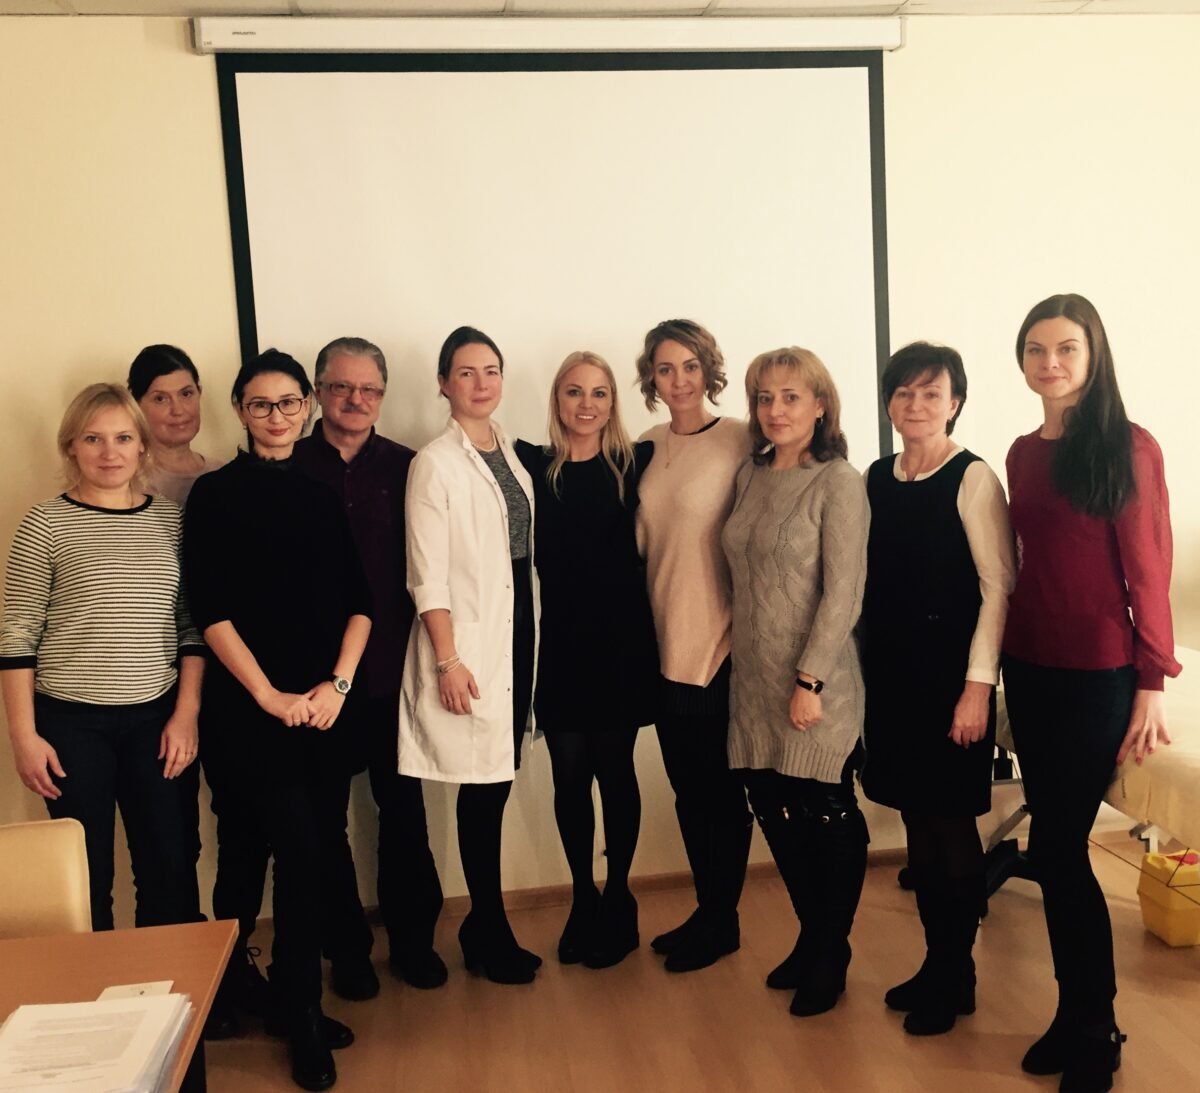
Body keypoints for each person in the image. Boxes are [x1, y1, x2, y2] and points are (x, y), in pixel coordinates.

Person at [1002, 294, 1180, 1093]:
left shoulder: (1128, 447)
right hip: (1029, 665)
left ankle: (1097, 1024)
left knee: (1059, 848)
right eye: (1036, 349)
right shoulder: (1020, 453)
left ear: (1093, 355)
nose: (1050, 363)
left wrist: (1151, 680)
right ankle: (1074, 1012)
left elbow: (1150, 568)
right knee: (1053, 848)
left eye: (1066, 348)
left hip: (1098, 672)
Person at [184, 350, 372, 1092]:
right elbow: (210, 609)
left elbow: (360, 602)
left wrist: (338, 685)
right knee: (252, 854)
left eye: (289, 402)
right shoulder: (215, 494)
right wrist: (267, 695)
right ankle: (267, 1000)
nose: (277, 416)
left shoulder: (322, 493)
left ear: (307, 407)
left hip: (320, 712)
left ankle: (295, 1005)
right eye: (261, 403)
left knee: (308, 853)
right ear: (240, 409)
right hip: (248, 711)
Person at [0, 383, 202, 933]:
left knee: (168, 868)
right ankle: (97, 985)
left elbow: (191, 627)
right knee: (85, 877)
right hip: (70, 724)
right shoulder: (44, 524)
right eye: (93, 439)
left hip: (157, 718)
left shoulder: (171, 522)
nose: (109, 452)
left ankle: (167, 982)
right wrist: (23, 736)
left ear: (142, 446)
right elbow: (17, 634)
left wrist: (186, 714)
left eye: (123, 438)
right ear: (71, 447)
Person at [859, 342, 1016, 1036]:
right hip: (893, 678)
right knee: (917, 825)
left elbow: (998, 587)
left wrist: (978, 688)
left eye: (932, 393)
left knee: (950, 825)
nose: (916, 405)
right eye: (904, 393)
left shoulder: (973, 477)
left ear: (955, 403)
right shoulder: (877, 476)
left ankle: (958, 973)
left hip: (953, 681)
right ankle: (937, 963)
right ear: (889, 403)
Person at [294, 336, 447, 992]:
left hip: (394, 673)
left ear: (382, 395)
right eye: (341, 386)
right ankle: (348, 952)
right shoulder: (289, 466)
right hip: (314, 682)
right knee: (323, 822)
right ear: (317, 391)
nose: (355, 399)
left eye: (369, 389)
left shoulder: (412, 468)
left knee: (404, 814)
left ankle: (413, 943)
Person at [722, 347, 870, 1017]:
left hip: (815, 681)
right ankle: (814, 937)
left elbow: (844, 592)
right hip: (753, 679)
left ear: (820, 405)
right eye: (765, 398)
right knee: (773, 808)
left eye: (790, 397)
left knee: (826, 810)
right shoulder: (750, 475)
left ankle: (830, 951)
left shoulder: (838, 481)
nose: (776, 410)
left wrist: (810, 679)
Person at [398, 326, 540, 985]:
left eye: (491, 371)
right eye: (466, 372)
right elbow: (425, 574)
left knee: (498, 780)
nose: (481, 384)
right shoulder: (435, 463)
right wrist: (448, 660)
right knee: (482, 788)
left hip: (517, 633)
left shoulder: (510, 452)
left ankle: (483, 925)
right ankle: (488, 927)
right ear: (443, 383)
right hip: (469, 642)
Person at [515, 351, 658, 969]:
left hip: (622, 644)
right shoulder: (532, 466)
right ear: (557, 399)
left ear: (613, 402)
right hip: (562, 646)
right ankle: (582, 897)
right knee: (569, 777)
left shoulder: (637, 462)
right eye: (574, 392)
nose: (587, 404)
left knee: (615, 771)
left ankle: (619, 894)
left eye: (600, 393)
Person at [635, 318, 755, 973]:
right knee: (687, 791)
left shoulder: (740, 438)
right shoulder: (645, 447)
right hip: (663, 646)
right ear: (650, 378)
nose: (678, 379)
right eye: (665, 368)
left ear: (708, 369)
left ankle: (723, 920)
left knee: (721, 794)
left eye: (689, 366)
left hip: (721, 646)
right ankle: (707, 909)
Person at [127, 344, 224, 505]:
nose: (178, 410)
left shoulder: (224, 473)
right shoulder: (126, 480)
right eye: (160, 399)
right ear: (136, 405)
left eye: (186, 394)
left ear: (199, 392)